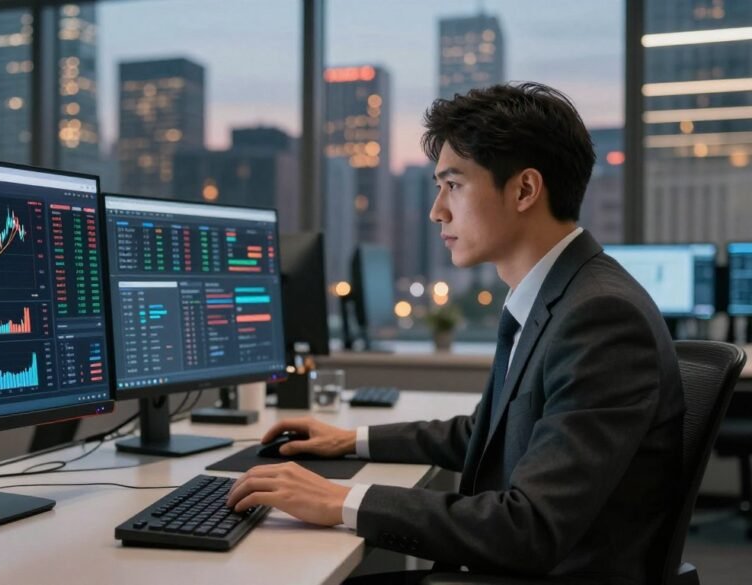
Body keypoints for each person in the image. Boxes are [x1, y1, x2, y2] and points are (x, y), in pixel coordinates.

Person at [226, 82, 684, 585]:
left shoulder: (600, 316)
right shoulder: (557, 295)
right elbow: (485, 434)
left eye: (454, 185)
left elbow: (529, 528)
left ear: (525, 190)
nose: (437, 210)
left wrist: (340, 500)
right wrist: (350, 440)